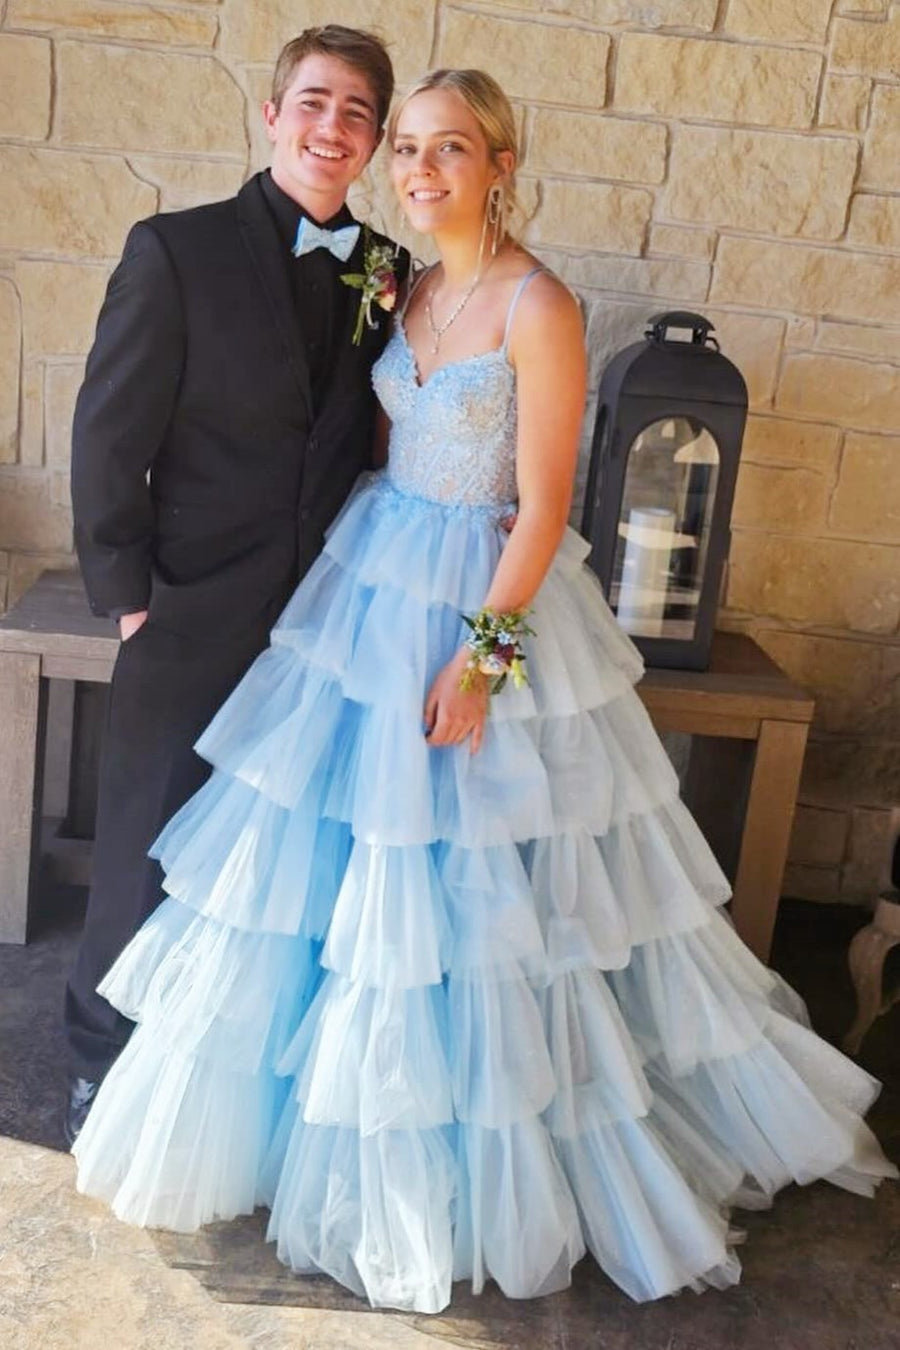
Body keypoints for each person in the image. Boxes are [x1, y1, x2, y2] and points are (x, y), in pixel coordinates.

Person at [73, 68, 896, 1314]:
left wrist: (485, 658)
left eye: (447, 147)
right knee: (334, 880)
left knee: (466, 883)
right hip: (365, 585)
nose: (417, 167)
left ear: (500, 161)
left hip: (478, 605)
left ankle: (471, 1135)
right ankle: (298, 1121)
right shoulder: (399, 287)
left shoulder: (539, 303)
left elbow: (551, 505)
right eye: (406, 147)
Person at [64, 26, 410, 1145]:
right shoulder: (175, 251)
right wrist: (126, 591)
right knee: (147, 842)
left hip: (328, 619)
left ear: (373, 139)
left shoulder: (387, 273)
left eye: (356, 112)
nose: (331, 128)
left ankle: (221, 1076)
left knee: (276, 859)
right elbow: (110, 433)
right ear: (273, 116)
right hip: (188, 604)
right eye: (313, 102)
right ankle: (97, 1052)